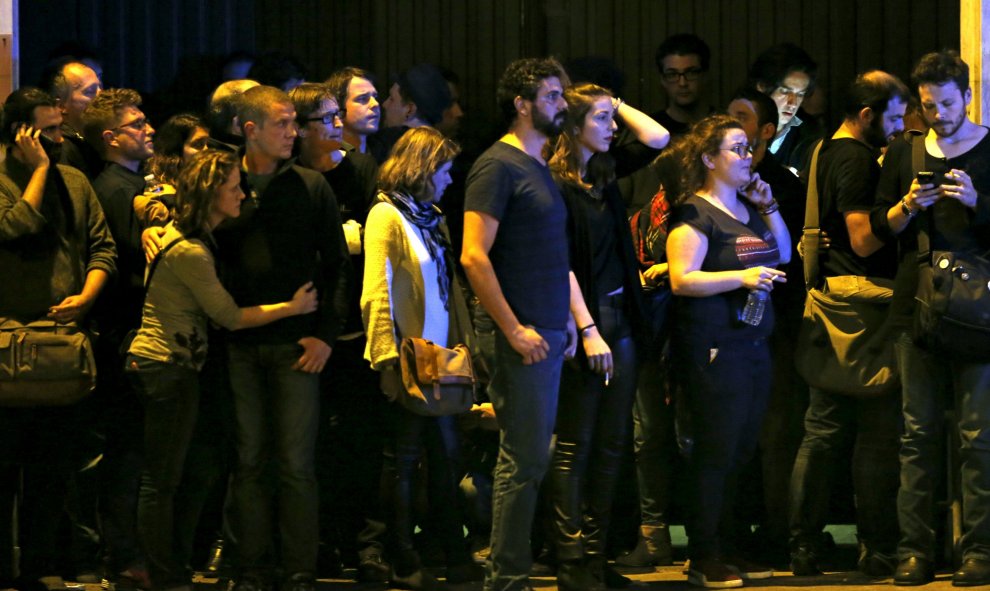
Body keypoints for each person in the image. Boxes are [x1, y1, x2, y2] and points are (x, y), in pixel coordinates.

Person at [125, 149, 318, 591]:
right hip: (165, 365)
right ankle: (163, 573)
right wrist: (292, 308)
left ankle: (169, 566)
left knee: (188, 470)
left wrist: (147, 209)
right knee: (161, 480)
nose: (242, 194)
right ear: (211, 194)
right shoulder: (191, 250)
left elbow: (160, 192)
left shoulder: (193, 236)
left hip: (173, 365)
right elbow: (228, 316)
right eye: (233, 188)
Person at [215, 85, 351, 591]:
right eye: (282, 124)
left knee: (296, 463)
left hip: (298, 343)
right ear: (249, 130)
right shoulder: (223, 178)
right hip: (238, 341)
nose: (294, 134)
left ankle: (298, 570)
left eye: (295, 123)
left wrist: (324, 337)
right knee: (248, 460)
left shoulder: (311, 186)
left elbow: (337, 268)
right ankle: (249, 567)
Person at [870, 50, 990, 587]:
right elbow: (878, 229)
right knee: (915, 435)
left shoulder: (988, 146)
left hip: (978, 309)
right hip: (915, 305)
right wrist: (906, 207)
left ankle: (979, 552)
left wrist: (977, 202)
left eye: (946, 103)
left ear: (967, 96)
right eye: (927, 105)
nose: (938, 114)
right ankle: (914, 551)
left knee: (978, 435)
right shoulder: (905, 151)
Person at [545, 82, 668, 591]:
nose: (612, 128)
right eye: (599, 119)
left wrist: (612, 102)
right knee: (576, 444)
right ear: (572, 128)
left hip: (621, 321)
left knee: (613, 445)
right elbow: (561, 264)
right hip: (584, 326)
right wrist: (587, 329)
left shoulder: (601, 173)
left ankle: (595, 558)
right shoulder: (554, 185)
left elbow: (657, 137)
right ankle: (570, 558)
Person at [788, 71, 909, 578]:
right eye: (895, 117)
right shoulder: (857, 159)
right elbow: (862, 240)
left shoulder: (821, 151)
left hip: (828, 304)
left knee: (822, 432)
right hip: (864, 312)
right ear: (867, 115)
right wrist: (906, 208)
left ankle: (802, 546)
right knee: (878, 435)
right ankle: (877, 547)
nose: (901, 129)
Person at [460, 57, 571, 591]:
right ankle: (506, 579)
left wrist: (564, 323)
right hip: (519, 333)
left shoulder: (539, 165)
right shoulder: (496, 166)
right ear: (521, 104)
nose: (562, 104)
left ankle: (510, 574)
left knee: (532, 456)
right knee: (523, 458)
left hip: (544, 330)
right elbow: (474, 256)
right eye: (551, 95)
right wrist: (514, 330)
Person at [666, 114, 790, 588]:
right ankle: (704, 553)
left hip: (753, 343)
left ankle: (729, 544)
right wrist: (740, 277)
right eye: (736, 149)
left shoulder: (745, 208)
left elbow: (782, 255)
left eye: (749, 148)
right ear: (708, 158)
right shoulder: (694, 214)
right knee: (715, 449)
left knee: (740, 449)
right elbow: (682, 279)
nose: (747, 157)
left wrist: (769, 204)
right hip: (714, 346)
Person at [0, 86, 116, 591]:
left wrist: (87, 296)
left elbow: (101, 247)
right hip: (8, 342)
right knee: (5, 464)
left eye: (59, 128)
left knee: (53, 467)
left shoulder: (75, 178)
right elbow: (14, 227)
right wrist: (40, 171)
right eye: (45, 130)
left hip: (62, 339)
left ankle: (41, 564)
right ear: (18, 132)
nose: (58, 139)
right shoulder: (12, 179)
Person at [361, 127, 483, 590]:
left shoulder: (430, 216)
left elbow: (447, 288)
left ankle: (449, 552)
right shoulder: (386, 216)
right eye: (446, 170)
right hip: (407, 360)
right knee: (404, 461)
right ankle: (404, 556)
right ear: (424, 168)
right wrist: (386, 362)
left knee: (447, 459)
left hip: (440, 361)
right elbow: (376, 292)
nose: (451, 179)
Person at [748, 43, 823, 174]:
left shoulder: (811, 134)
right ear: (762, 86)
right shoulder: (732, 128)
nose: (792, 103)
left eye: (800, 94)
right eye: (785, 91)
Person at [134, 113, 210, 226]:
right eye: (198, 144)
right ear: (176, 151)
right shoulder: (163, 197)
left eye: (207, 144)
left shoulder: (205, 182)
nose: (207, 150)